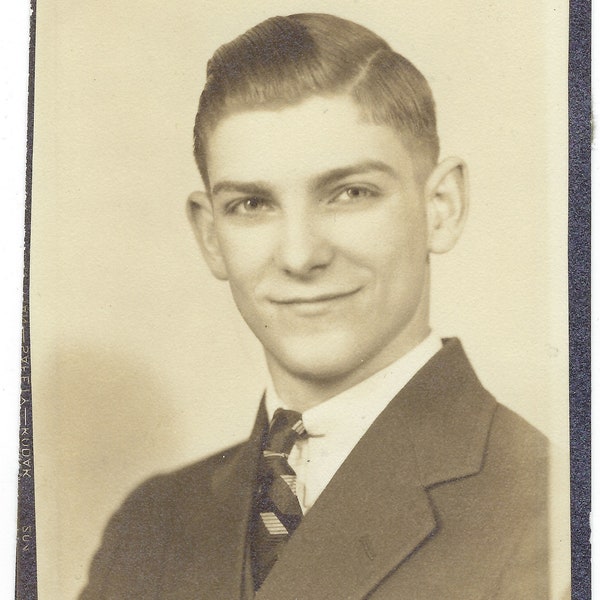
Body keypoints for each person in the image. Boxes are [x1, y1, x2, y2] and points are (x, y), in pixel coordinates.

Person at [80, 13, 548, 599]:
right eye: (252, 204)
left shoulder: (550, 512)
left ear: (442, 207)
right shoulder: (151, 526)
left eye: (351, 193)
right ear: (209, 236)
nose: (300, 255)